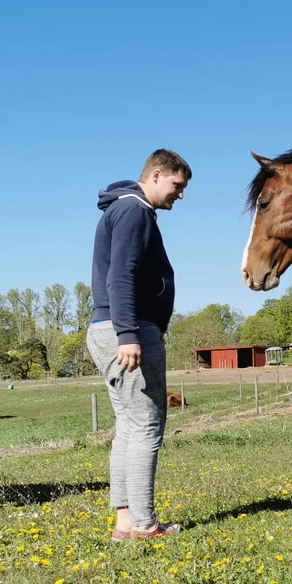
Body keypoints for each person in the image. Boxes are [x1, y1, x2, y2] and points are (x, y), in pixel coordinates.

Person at [86, 149, 191, 540]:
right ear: (157, 174)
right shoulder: (134, 210)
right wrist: (128, 335)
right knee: (147, 424)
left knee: (128, 427)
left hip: (110, 326)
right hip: (126, 329)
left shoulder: (123, 209)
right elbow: (122, 276)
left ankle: (126, 523)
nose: (180, 196)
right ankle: (145, 524)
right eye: (178, 186)